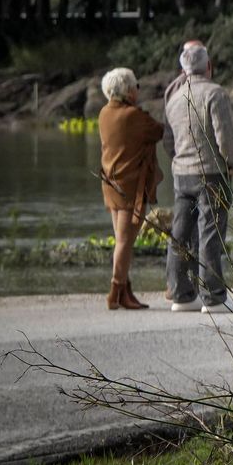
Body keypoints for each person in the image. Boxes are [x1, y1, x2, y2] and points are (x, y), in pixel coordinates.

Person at [162, 40, 233, 313]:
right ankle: (213, 296)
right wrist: (232, 163)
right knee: (210, 232)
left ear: (183, 68)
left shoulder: (173, 97)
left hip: (181, 173)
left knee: (180, 233)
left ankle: (181, 294)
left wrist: (177, 159)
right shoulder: (215, 93)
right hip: (210, 171)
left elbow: (168, 139)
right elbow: (225, 136)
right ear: (208, 66)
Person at [97, 67, 163, 310]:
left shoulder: (104, 113)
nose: (138, 89)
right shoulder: (132, 116)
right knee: (125, 241)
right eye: (136, 85)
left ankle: (126, 291)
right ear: (127, 90)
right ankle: (115, 290)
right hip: (130, 186)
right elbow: (157, 130)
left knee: (120, 239)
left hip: (110, 183)